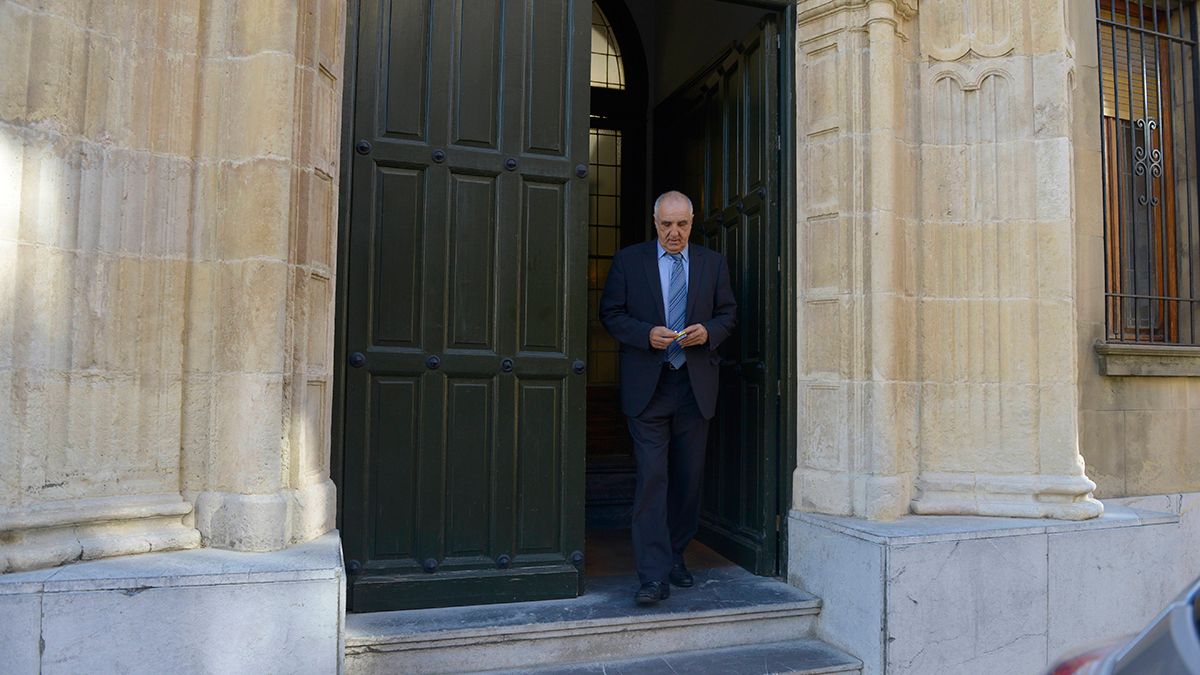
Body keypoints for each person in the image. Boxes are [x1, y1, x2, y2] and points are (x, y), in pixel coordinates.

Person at [599, 190, 737, 606]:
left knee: (688, 481)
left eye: (682, 224)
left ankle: (676, 553)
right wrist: (645, 334)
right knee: (652, 479)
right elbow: (611, 313)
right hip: (649, 389)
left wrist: (709, 332)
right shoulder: (629, 260)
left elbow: (728, 313)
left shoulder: (712, 263)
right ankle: (653, 575)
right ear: (654, 222)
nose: (674, 233)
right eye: (666, 225)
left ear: (692, 222)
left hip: (694, 388)